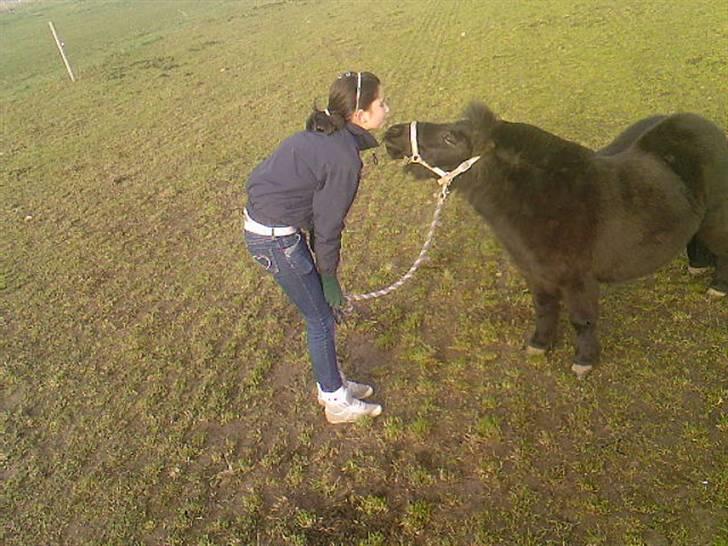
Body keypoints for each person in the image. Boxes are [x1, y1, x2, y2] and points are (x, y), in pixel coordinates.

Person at [243, 71, 390, 424]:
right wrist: (328, 277)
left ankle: (333, 383)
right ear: (360, 116)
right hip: (274, 240)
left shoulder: (326, 137)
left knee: (321, 314)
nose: (387, 108)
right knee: (321, 317)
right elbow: (327, 227)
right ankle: (336, 401)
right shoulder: (344, 158)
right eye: (381, 103)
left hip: (274, 230)